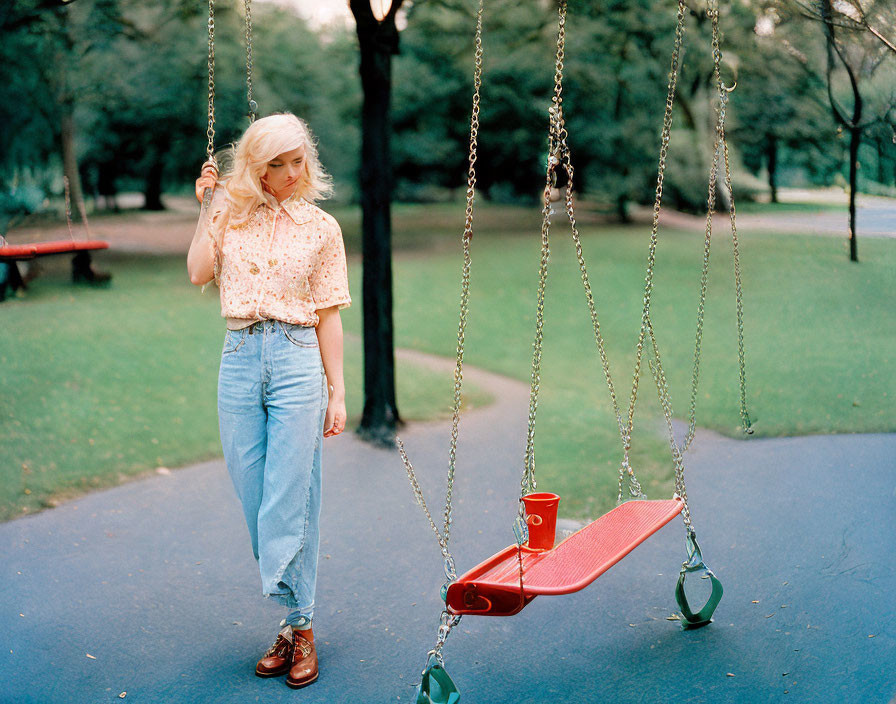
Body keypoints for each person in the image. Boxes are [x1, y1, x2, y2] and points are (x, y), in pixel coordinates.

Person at [187, 113, 350, 689]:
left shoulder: (321, 228)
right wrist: (209, 205)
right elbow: (198, 271)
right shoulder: (231, 215)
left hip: (296, 358)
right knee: (257, 493)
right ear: (255, 167)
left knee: (293, 492)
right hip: (238, 357)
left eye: (296, 160)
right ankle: (290, 614)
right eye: (274, 164)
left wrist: (338, 391)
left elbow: (328, 312)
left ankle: (300, 626)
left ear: (308, 160)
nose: (287, 173)